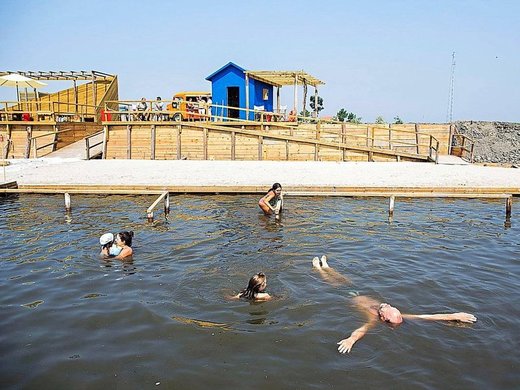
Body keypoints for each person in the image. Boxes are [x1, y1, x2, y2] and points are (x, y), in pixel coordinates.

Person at [312, 256, 477, 354]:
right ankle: (327, 266)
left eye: (386, 308)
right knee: (345, 280)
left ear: (383, 317)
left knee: (335, 284)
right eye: (390, 306)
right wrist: (454, 315)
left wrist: (351, 339)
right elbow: (427, 317)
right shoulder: (397, 315)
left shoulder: (373, 318)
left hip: (349, 297)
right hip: (359, 291)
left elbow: (362, 330)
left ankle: (319, 270)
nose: (387, 304)